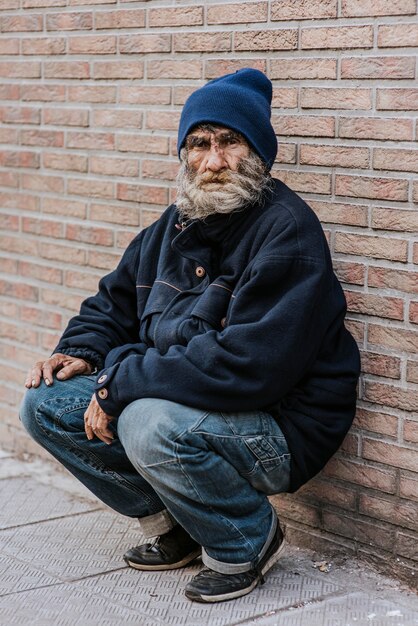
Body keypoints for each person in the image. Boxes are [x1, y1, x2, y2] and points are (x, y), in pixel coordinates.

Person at [20, 69, 360, 604]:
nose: (213, 161)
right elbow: (114, 303)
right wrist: (81, 351)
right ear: (184, 154)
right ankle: (176, 527)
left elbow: (247, 367)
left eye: (229, 142)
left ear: (259, 153)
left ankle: (246, 537)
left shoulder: (286, 232)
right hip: (195, 399)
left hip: (279, 423)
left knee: (146, 420)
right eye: (199, 144)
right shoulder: (175, 224)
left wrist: (122, 382)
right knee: (45, 405)